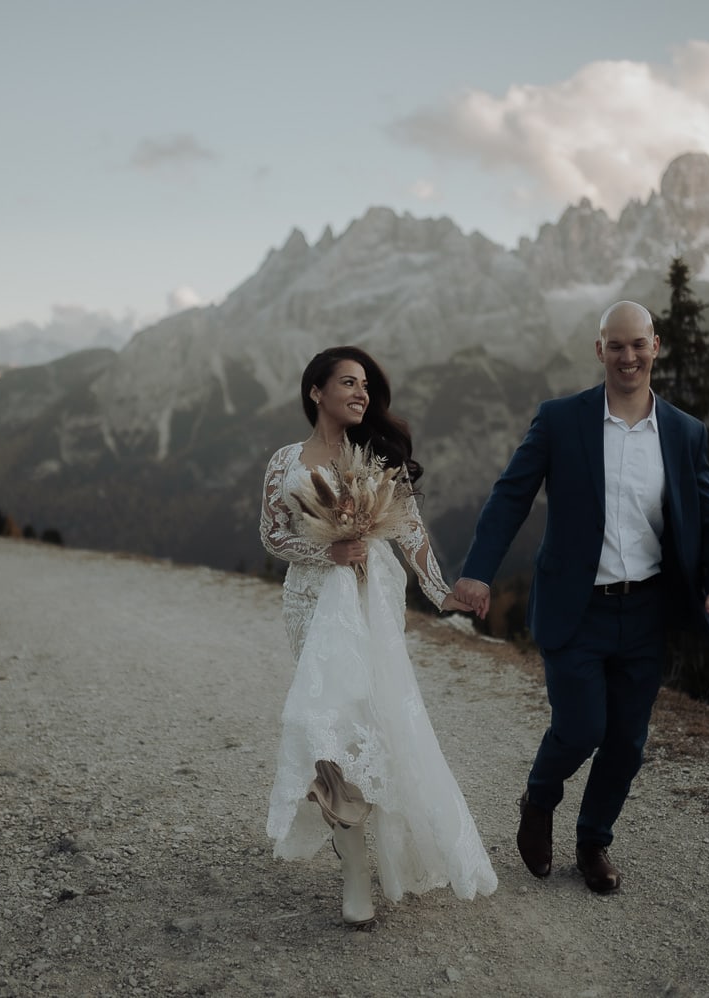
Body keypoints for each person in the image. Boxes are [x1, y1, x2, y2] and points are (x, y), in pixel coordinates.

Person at [453, 300, 709, 895]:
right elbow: (511, 496)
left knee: (628, 742)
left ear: (655, 346)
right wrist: (479, 572)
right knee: (581, 727)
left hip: (646, 610)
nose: (628, 356)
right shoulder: (561, 420)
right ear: (599, 350)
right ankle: (539, 799)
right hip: (575, 606)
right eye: (616, 345)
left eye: (638, 345)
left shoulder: (685, 433)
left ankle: (593, 844)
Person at [259, 346, 498, 926]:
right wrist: (326, 549)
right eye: (348, 382)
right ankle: (354, 871)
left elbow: (409, 529)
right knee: (326, 726)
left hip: (371, 599)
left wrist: (440, 591)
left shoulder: (376, 455)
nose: (362, 393)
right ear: (316, 391)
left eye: (366, 384)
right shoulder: (285, 460)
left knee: (371, 723)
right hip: (309, 603)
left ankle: (371, 856)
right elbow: (271, 534)